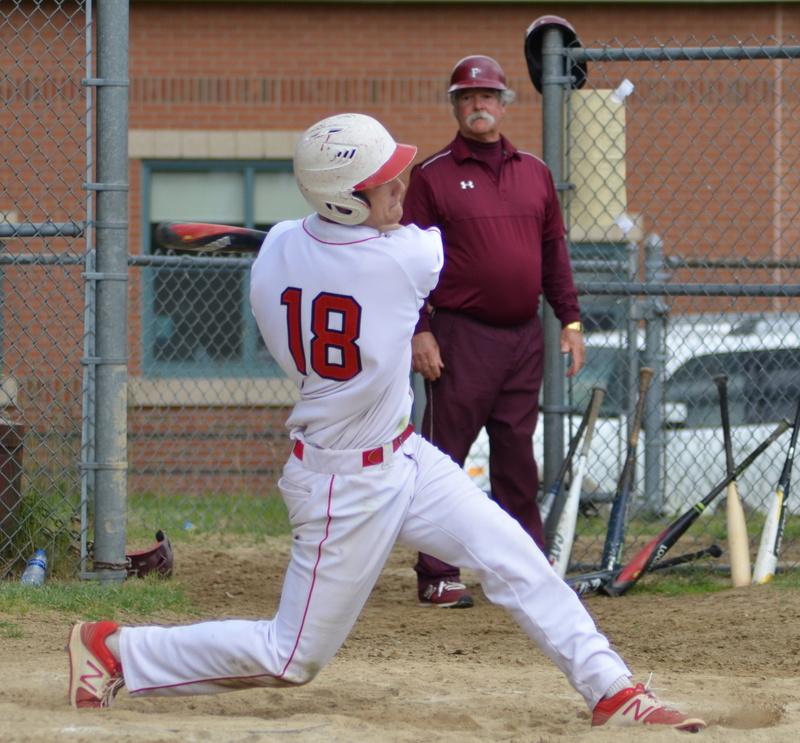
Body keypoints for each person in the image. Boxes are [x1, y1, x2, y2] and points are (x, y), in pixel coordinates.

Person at [67, 112, 704, 733]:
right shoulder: (403, 259)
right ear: (343, 202)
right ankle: (116, 651)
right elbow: (466, 253)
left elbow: (309, 241)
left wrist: (319, 237)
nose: (402, 187)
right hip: (343, 484)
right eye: (384, 182)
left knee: (515, 558)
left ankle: (612, 689)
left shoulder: (277, 252)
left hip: (404, 456)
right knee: (292, 657)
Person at [402, 54, 585, 608]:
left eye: (486, 96)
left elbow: (553, 251)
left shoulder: (534, 172)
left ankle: (524, 569)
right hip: (460, 337)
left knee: (516, 461)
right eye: (466, 97)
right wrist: (420, 330)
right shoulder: (432, 175)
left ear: (504, 104)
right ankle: (437, 572)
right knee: (443, 458)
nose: (477, 105)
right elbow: (408, 262)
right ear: (455, 106)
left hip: (522, 338)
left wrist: (570, 319)